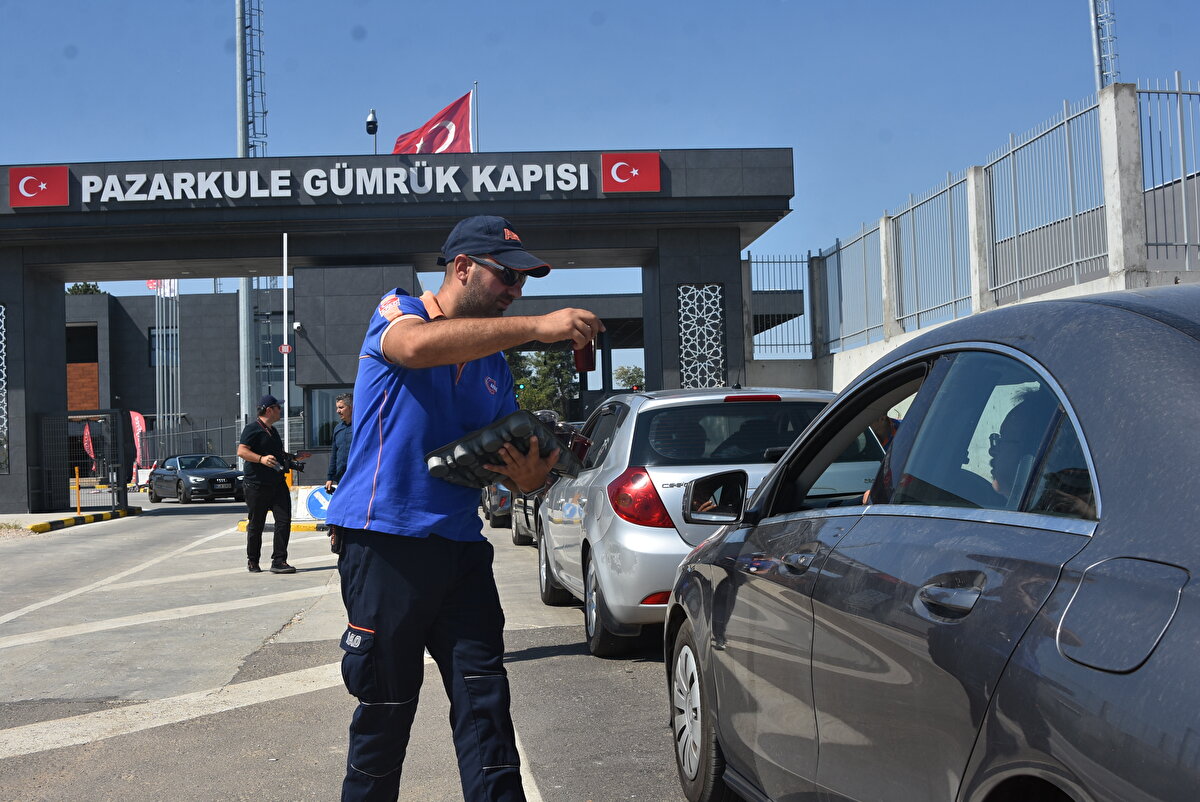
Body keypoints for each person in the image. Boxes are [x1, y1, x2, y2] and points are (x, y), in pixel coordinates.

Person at [325, 214, 605, 801]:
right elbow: (414, 347)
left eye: (523, 284)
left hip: (460, 550)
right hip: (385, 544)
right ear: (462, 268)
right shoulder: (399, 311)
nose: (515, 292)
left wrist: (530, 477)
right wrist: (539, 328)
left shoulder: (491, 365)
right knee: (386, 709)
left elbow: (501, 465)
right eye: (507, 277)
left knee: (486, 707)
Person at [236, 394, 296, 574]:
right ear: (269, 409)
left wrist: (293, 459)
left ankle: (279, 561)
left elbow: (278, 455)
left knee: (284, 521)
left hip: (277, 484)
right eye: (278, 407)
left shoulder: (273, 431)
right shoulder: (252, 429)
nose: (281, 410)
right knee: (256, 524)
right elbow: (242, 451)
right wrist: (261, 459)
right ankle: (253, 561)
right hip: (256, 485)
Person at [324, 392, 354, 494]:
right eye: (337, 408)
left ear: (351, 407)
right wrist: (330, 477)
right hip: (341, 478)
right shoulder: (338, 429)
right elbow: (334, 455)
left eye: (341, 407)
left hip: (358, 476)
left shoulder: (360, 427)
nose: (338, 411)